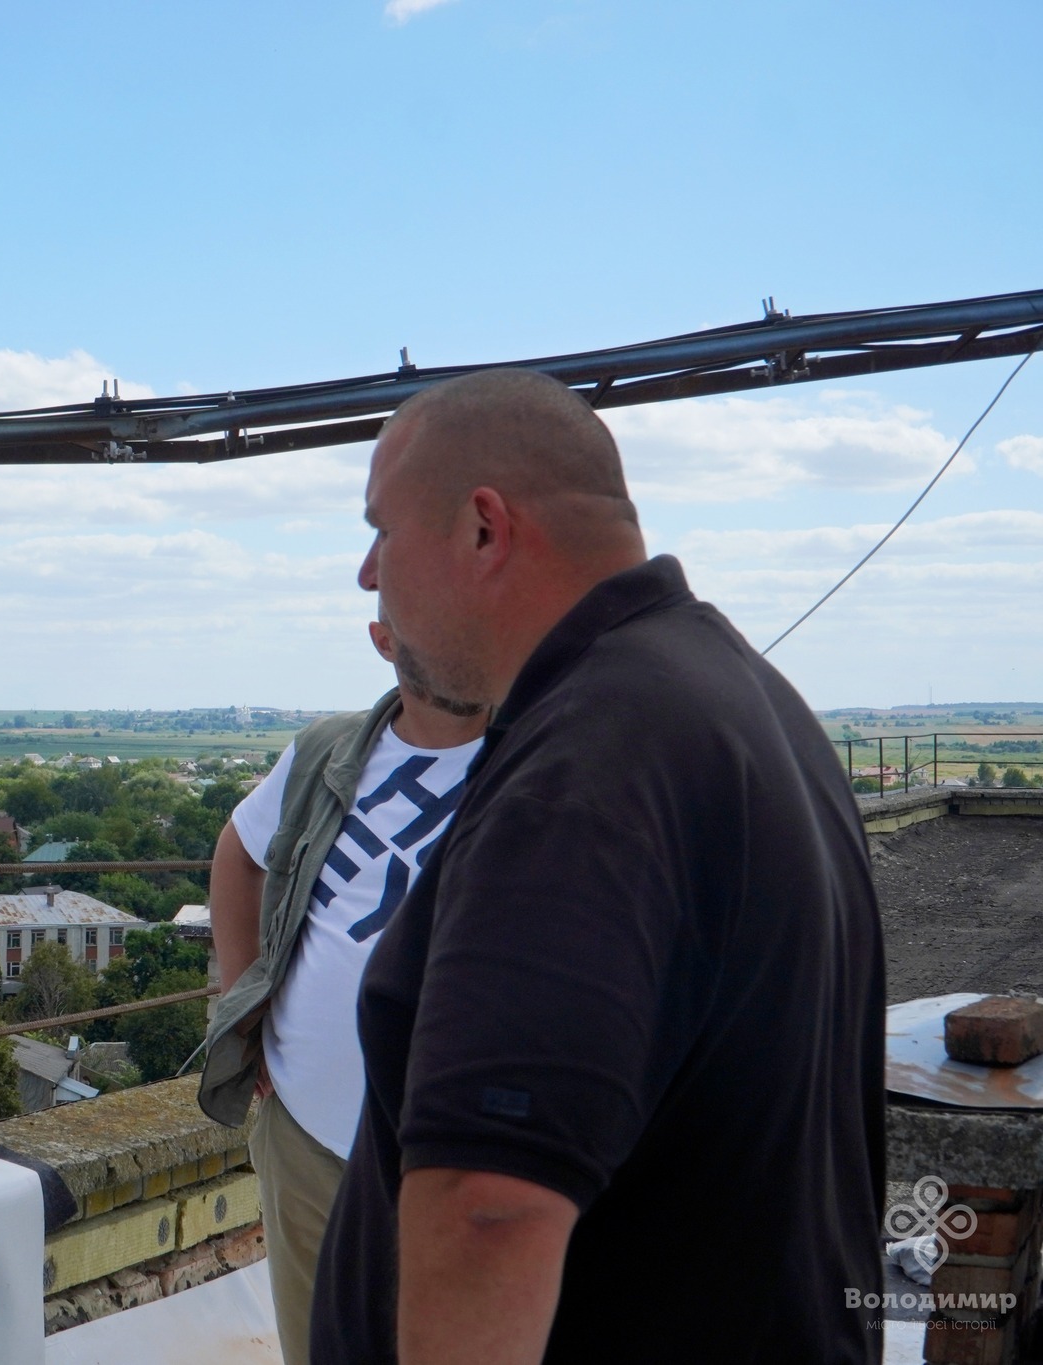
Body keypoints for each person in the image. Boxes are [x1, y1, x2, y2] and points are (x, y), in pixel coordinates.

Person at [310, 369, 884, 1363]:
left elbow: (489, 1206)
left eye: (381, 531)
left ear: (482, 529)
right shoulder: (739, 700)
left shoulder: (588, 767)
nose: (367, 575)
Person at [199, 611, 484, 1364]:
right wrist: (244, 1008)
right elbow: (239, 853)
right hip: (307, 1141)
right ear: (384, 639)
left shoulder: (548, 761)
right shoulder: (328, 750)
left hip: (466, 1163)